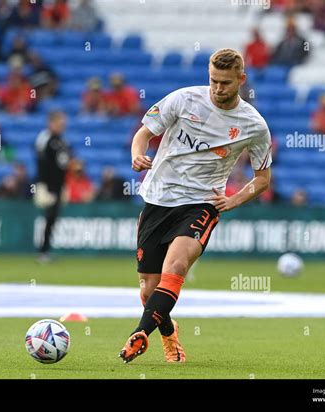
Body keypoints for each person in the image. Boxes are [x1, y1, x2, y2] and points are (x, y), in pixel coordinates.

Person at [118, 48, 272, 363]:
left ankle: (140, 334)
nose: (218, 88)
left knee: (175, 268)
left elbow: (263, 177)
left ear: (241, 80)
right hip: (158, 199)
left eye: (226, 83)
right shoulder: (184, 99)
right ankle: (168, 329)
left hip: (201, 203)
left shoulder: (253, 125)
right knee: (149, 291)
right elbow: (144, 133)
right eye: (214, 80)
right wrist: (137, 153)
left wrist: (233, 199)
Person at [34, 111, 72, 262]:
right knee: (49, 216)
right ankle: (43, 251)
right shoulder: (45, 139)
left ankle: (46, 250)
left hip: (59, 185)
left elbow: (66, 160)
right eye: (59, 123)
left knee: (53, 217)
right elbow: (41, 162)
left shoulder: (62, 141)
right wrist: (43, 184)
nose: (62, 126)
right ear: (51, 123)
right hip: (48, 185)